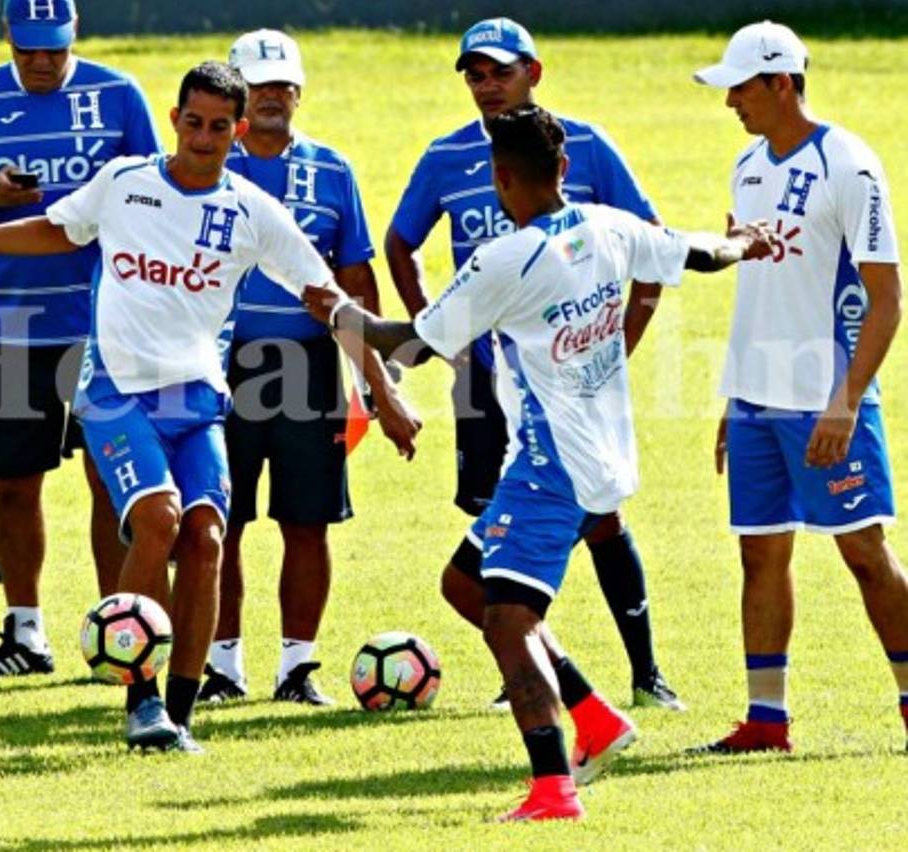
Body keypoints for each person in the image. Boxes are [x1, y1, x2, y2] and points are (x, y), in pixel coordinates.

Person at [0, 61, 420, 753]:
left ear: (236, 129)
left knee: (205, 538)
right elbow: (55, 229)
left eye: (219, 126)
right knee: (157, 517)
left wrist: (381, 387)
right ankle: (137, 694)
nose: (204, 138)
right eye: (193, 122)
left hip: (198, 402)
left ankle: (179, 712)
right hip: (115, 394)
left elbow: (326, 299)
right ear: (174, 120)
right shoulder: (126, 184)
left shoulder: (252, 213)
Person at [304, 107, 771, 820]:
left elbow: (407, 345)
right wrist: (742, 241)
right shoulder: (608, 227)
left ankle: (553, 790)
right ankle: (595, 718)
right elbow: (698, 253)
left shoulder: (502, 259)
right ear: (562, 169)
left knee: (507, 619)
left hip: (549, 467)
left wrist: (337, 312)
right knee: (464, 584)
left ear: (498, 179)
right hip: (606, 457)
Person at [385, 17, 683, 709]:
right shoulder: (445, 157)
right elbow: (400, 243)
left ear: (533, 73)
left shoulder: (583, 149)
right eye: (474, 74)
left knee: (601, 519)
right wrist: (451, 340)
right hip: (491, 383)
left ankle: (646, 675)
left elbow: (655, 250)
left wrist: (616, 345)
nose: (487, 86)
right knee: (493, 520)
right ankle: (522, 672)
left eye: (500, 71)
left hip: (574, 382)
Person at [0, 0, 163, 679]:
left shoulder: (119, 96)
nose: (43, 62)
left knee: (108, 478)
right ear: (7, 37)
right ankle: (25, 634)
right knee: (13, 480)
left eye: (55, 49)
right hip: (15, 319)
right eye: (30, 50)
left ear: (76, 33)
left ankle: (118, 627)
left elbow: (159, 190)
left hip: (106, 324)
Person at [690, 21, 908, 754]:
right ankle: (765, 720)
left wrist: (844, 402)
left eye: (740, 88)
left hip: (825, 400)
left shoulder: (850, 166)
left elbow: (886, 299)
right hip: (754, 401)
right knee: (759, 554)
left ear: (781, 82)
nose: (729, 103)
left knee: (863, 553)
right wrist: (732, 396)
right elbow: (759, 288)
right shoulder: (745, 166)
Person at [195, 29, 386, 707]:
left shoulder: (332, 170)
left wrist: (372, 376)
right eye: (259, 86)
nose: (273, 97)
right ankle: (221, 664)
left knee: (307, 521)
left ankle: (297, 667)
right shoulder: (207, 164)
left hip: (308, 366)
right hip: (222, 366)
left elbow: (356, 273)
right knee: (222, 519)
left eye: (283, 86)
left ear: (298, 93)